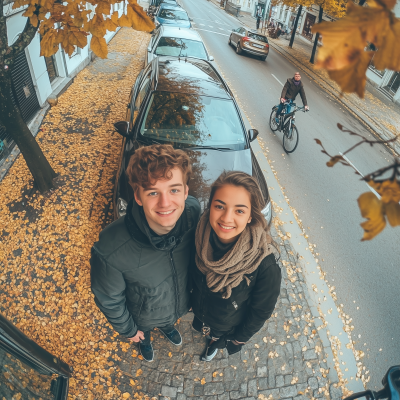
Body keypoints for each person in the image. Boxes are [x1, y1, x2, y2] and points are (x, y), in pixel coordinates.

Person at [90, 144, 200, 362]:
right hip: (142, 317)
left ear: (186, 192)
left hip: (178, 304)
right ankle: (145, 341)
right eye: (153, 192)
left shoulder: (192, 213)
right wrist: (130, 330)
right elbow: (109, 300)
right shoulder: (110, 249)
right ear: (138, 197)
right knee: (144, 333)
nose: (165, 203)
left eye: (174, 190)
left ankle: (168, 326)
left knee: (170, 320)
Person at [191, 171, 282, 361]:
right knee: (205, 330)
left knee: (215, 338)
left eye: (239, 210)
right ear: (210, 208)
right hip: (201, 311)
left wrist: (238, 339)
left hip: (226, 326)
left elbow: (260, 311)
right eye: (220, 206)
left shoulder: (264, 265)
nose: (226, 218)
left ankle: (213, 345)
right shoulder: (198, 236)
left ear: (250, 216)